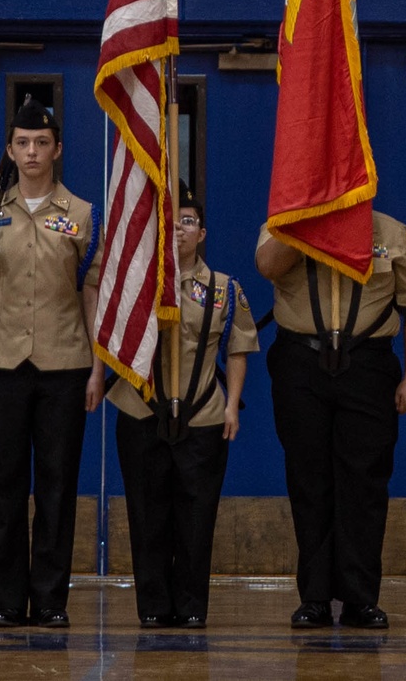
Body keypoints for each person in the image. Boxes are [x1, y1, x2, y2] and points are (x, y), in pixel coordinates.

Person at [0, 97, 104, 628]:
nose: (32, 151)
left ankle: (52, 600)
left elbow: (93, 292)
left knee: (59, 487)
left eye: (42, 143)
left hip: (64, 363)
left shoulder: (81, 214)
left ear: (58, 149)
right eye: (22, 143)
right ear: (10, 150)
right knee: (5, 485)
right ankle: (7, 600)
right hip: (2, 363)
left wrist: (98, 368)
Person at [256, 208, 406, 630]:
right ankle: (314, 597)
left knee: (364, 485)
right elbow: (268, 265)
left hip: (368, 365)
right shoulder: (283, 221)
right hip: (301, 361)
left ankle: (360, 598)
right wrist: (304, 217)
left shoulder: (391, 231)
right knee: (308, 481)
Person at [108, 191, 258, 628]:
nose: (180, 230)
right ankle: (153, 606)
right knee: (147, 513)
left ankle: (191, 607)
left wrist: (232, 406)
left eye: (188, 222)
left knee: (196, 517)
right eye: (171, 222)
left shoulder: (224, 288)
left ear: (202, 233)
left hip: (204, 416)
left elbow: (238, 349)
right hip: (141, 412)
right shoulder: (138, 284)